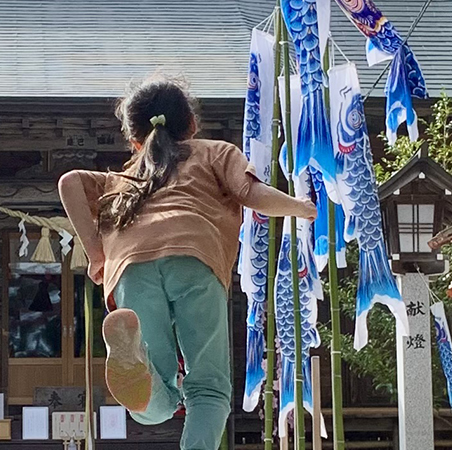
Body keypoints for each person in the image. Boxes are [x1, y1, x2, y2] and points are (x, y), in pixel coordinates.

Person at [59, 75, 314, 450]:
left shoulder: (127, 176)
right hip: (196, 257)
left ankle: (140, 367)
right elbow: (249, 191)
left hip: (132, 267)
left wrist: (97, 254)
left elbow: (69, 182)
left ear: (134, 138)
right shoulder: (214, 152)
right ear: (191, 125)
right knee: (208, 387)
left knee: (157, 394)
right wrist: (299, 207)